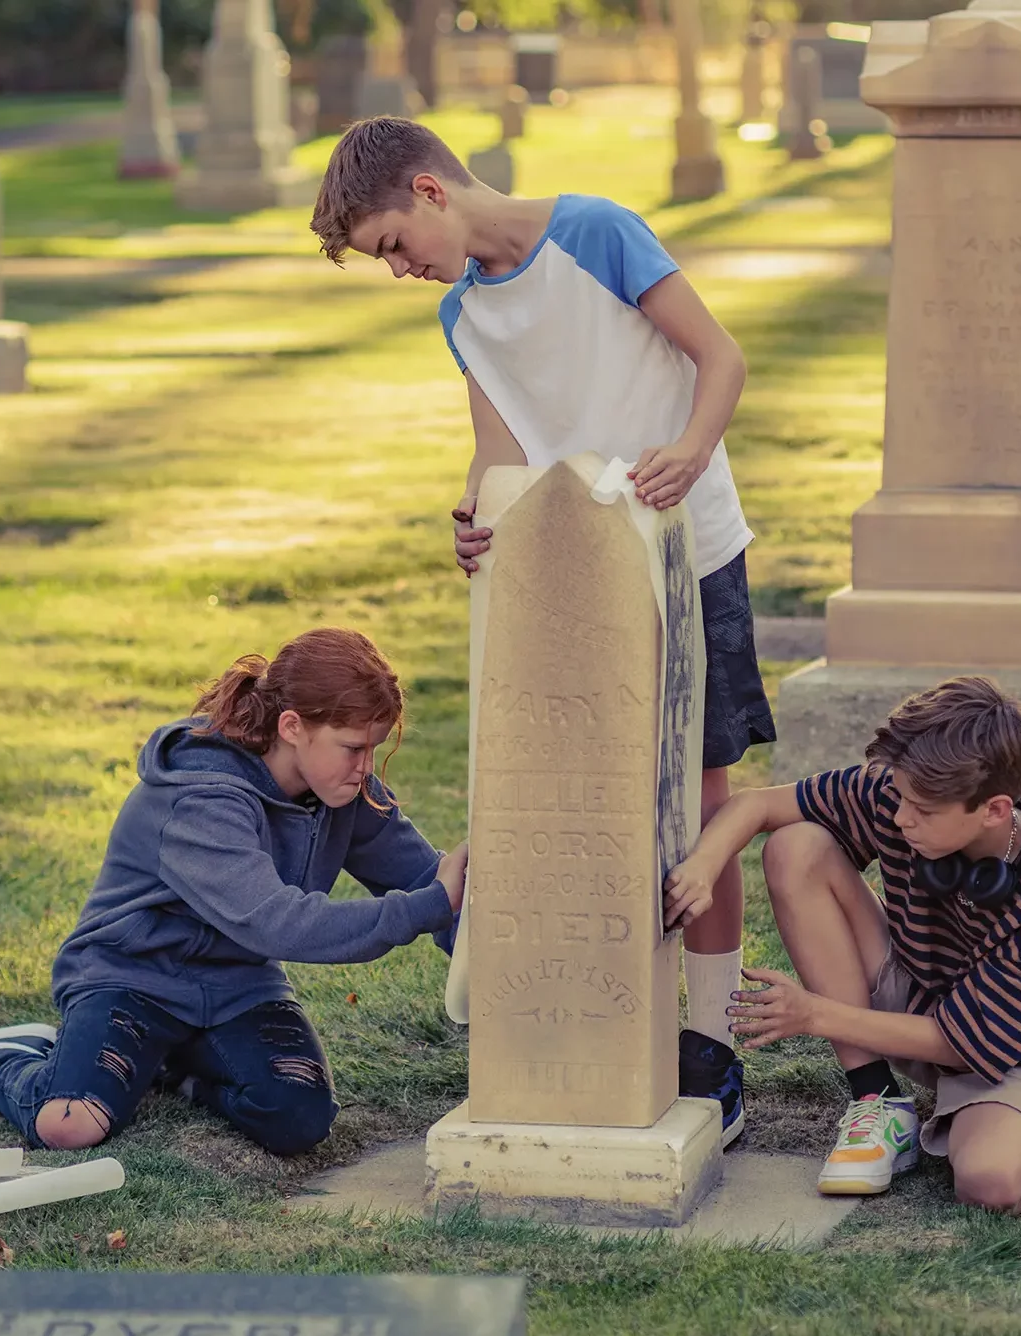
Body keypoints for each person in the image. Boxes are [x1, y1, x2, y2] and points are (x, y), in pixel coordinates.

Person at [309, 117, 774, 1147]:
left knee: (698, 806)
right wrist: (480, 514)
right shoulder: (465, 316)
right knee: (598, 800)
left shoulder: (598, 235)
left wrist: (691, 451)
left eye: (391, 245)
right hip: (574, 580)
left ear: (430, 191)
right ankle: (626, 1017)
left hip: (687, 550)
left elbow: (719, 358)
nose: (399, 271)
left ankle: (712, 1036)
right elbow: (501, 447)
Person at [0, 628, 468, 1157]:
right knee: (69, 1125)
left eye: (373, 749)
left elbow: (433, 882)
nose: (365, 767)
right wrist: (427, 907)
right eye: (352, 748)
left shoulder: (346, 791)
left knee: (298, 1118)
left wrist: (488, 955)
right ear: (294, 726)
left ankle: (166, 1069)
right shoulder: (203, 797)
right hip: (132, 977)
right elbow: (279, 923)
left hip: (238, 987)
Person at [663, 676, 1021, 1212]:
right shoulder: (906, 792)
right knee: (797, 846)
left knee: (990, 1183)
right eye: (900, 794)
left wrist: (814, 1015)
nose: (900, 817)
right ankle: (877, 1099)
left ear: (994, 810)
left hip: (1015, 1058)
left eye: (923, 811)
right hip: (917, 1000)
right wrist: (704, 867)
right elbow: (757, 805)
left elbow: (964, 1044)